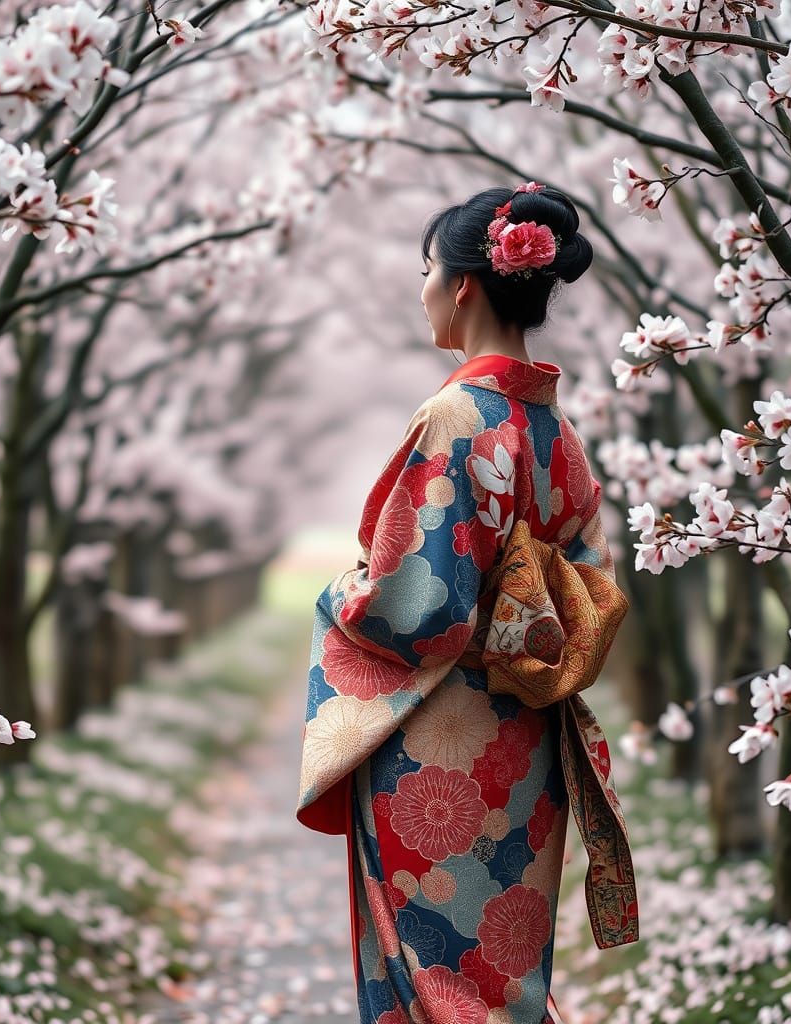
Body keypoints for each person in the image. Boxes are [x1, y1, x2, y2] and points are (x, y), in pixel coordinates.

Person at [296, 182, 636, 1024]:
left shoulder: (457, 415)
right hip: (527, 742)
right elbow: (591, 587)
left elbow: (418, 608)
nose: (419, 293)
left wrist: (342, 592)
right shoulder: (559, 433)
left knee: (438, 983)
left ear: (462, 284)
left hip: (440, 742)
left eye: (424, 272)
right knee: (504, 985)